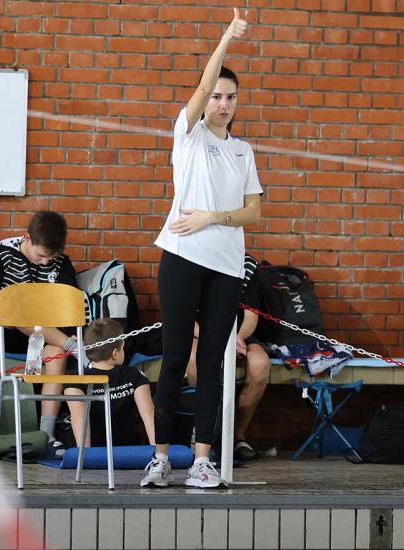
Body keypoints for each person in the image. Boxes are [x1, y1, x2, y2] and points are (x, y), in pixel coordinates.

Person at [141, 8, 262, 488]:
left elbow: (253, 211)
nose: (224, 103)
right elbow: (203, 83)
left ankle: (202, 461)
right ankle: (161, 457)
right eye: (217, 96)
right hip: (182, 258)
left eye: (231, 98)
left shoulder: (243, 151)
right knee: (175, 360)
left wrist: (215, 217)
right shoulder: (187, 134)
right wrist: (227, 39)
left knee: (214, 362)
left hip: (226, 266)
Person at [0, 211, 80, 457]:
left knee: (57, 353)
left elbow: (71, 310)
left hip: (47, 341)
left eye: (50, 258)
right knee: (20, 313)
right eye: (41, 255)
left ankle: (47, 433)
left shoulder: (62, 264)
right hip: (10, 336)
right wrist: (7, 312)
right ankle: (73, 347)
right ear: (27, 238)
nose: (44, 262)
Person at [185, 254, 269, 461]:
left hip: (239, 334)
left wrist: (238, 338)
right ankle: (202, 429)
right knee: (196, 360)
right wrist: (215, 339)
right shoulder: (193, 258)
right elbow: (185, 316)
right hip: (200, 331)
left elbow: (251, 316)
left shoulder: (247, 264)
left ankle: (237, 436)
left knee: (260, 364)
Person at [64, 319, 154, 447]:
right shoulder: (134, 375)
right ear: (115, 354)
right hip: (128, 449)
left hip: (91, 451)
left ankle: (84, 452)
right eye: (123, 348)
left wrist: (86, 456)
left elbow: (79, 415)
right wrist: (158, 452)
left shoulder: (75, 380)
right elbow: (149, 413)